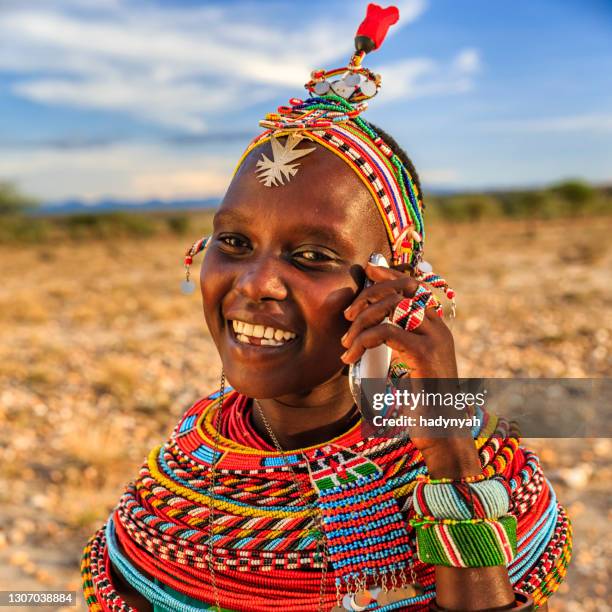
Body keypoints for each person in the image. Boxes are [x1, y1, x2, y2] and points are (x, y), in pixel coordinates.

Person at [81, 5, 571, 611]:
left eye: (312, 254)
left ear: (393, 285)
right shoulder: (170, 502)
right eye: (234, 243)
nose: (256, 283)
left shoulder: (488, 466)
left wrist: (449, 456)